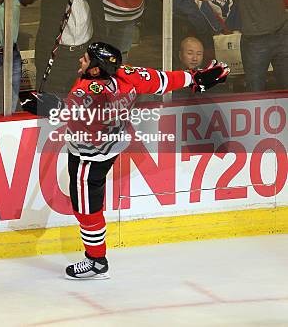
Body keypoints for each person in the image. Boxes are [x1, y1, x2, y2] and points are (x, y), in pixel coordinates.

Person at [22, 41, 229, 279]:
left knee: (85, 208)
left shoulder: (86, 93)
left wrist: (44, 106)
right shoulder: (125, 73)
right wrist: (194, 77)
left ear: (96, 69)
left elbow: (72, 114)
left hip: (89, 155)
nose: (81, 60)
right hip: (114, 144)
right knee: (87, 201)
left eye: (86, 59)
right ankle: (95, 255)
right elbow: (162, 80)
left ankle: (96, 261)